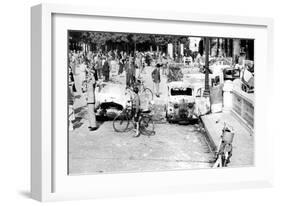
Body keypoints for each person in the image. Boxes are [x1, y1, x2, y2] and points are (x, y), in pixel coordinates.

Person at [86, 67, 99, 131]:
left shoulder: (92, 81)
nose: (88, 74)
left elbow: (94, 82)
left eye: (89, 73)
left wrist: (92, 75)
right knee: (89, 112)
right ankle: (91, 124)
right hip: (88, 98)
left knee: (92, 112)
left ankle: (94, 125)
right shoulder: (88, 80)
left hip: (91, 99)